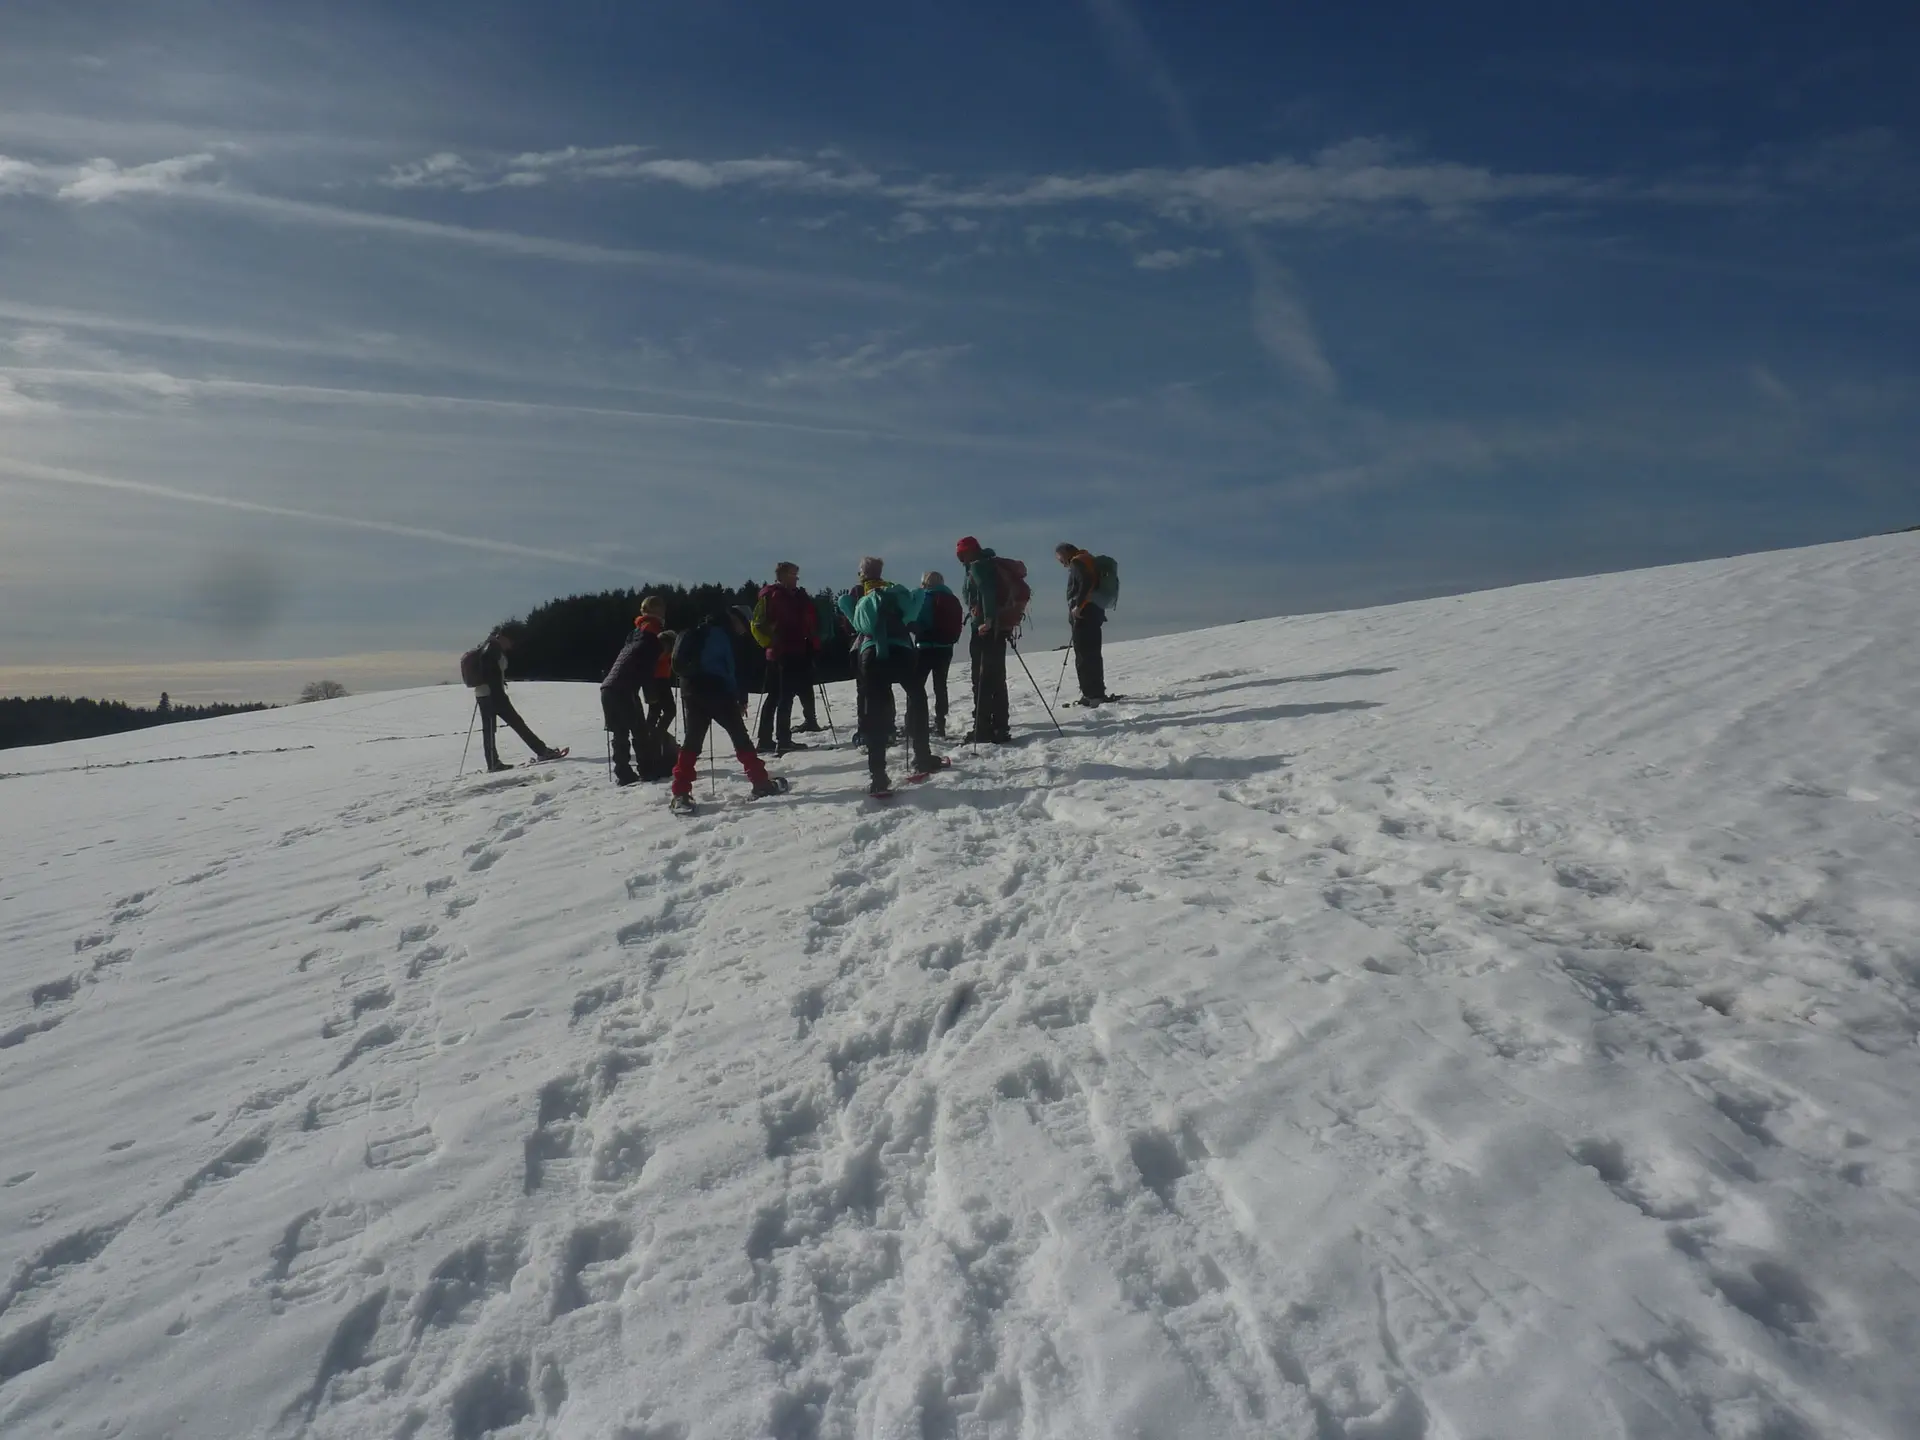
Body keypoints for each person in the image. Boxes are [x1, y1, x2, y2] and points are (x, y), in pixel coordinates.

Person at [669, 609, 786, 813]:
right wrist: (739, 699)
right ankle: (761, 783)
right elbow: (732, 670)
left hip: (690, 690)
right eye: (744, 624)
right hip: (718, 691)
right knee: (740, 738)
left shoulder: (699, 632)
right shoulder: (725, 636)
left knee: (692, 741)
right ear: (735, 620)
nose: (744, 630)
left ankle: (680, 794)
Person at [849, 557, 945, 796]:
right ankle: (922, 756)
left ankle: (879, 777)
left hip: (871, 653)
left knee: (875, 711)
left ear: (862, 573)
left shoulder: (863, 598)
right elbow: (913, 612)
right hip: (902, 651)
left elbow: (859, 626)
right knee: (916, 697)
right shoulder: (897, 592)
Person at [473, 625, 564, 772]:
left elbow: (491, 672)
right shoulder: (492, 649)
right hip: (493, 696)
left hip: (486, 695)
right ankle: (541, 751)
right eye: (510, 641)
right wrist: (496, 689)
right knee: (514, 724)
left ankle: (493, 763)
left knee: (494, 729)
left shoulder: (489, 647)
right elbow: (489, 672)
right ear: (503, 637)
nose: (511, 645)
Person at [752, 562, 820, 755]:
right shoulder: (776, 596)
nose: (796, 578)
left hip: (779, 652)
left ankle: (765, 740)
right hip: (787, 651)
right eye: (793, 574)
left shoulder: (775, 595)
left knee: (774, 696)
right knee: (784, 697)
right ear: (782, 575)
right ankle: (783, 740)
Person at [600, 609, 669, 786]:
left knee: (620, 731)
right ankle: (647, 770)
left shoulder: (633, 639)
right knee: (639, 731)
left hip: (607, 688)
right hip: (625, 689)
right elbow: (646, 672)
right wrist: (652, 697)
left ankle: (623, 773)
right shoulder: (652, 643)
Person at [955, 537, 1011, 744]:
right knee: (997, 678)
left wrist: (986, 621)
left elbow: (987, 592)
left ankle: (983, 729)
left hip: (984, 631)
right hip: (998, 630)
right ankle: (1000, 726)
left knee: (981, 680)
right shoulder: (989, 564)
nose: (961, 558)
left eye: (962, 554)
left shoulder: (977, 567)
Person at [1055, 543, 1111, 706]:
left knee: (1083, 655)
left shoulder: (1077, 562)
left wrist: (1078, 606)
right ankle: (1097, 692)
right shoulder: (1089, 560)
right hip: (1095, 613)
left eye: (1060, 559)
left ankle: (1090, 695)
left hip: (1084, 614)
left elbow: (1085, 582)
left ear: (1066, 553)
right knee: (1093, 654)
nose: (1062, 563)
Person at [913, 571, 963, 737]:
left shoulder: (925, 598)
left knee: (916, 686)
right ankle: (940, 722)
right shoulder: (952, 599)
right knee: (940, 685)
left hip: (925, 647)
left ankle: (915, 723)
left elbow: (919, 621)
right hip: (945, 648)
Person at [635, 596, 678, 754]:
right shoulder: (651, 627)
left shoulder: (644, 626)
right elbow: (654, 653)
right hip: (658, 676)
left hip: (653, 676)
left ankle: (650, 742)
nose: (663, 612)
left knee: (655, 710)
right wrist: (670, 652)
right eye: (660, 608)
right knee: (668, 710)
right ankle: (654, 740)